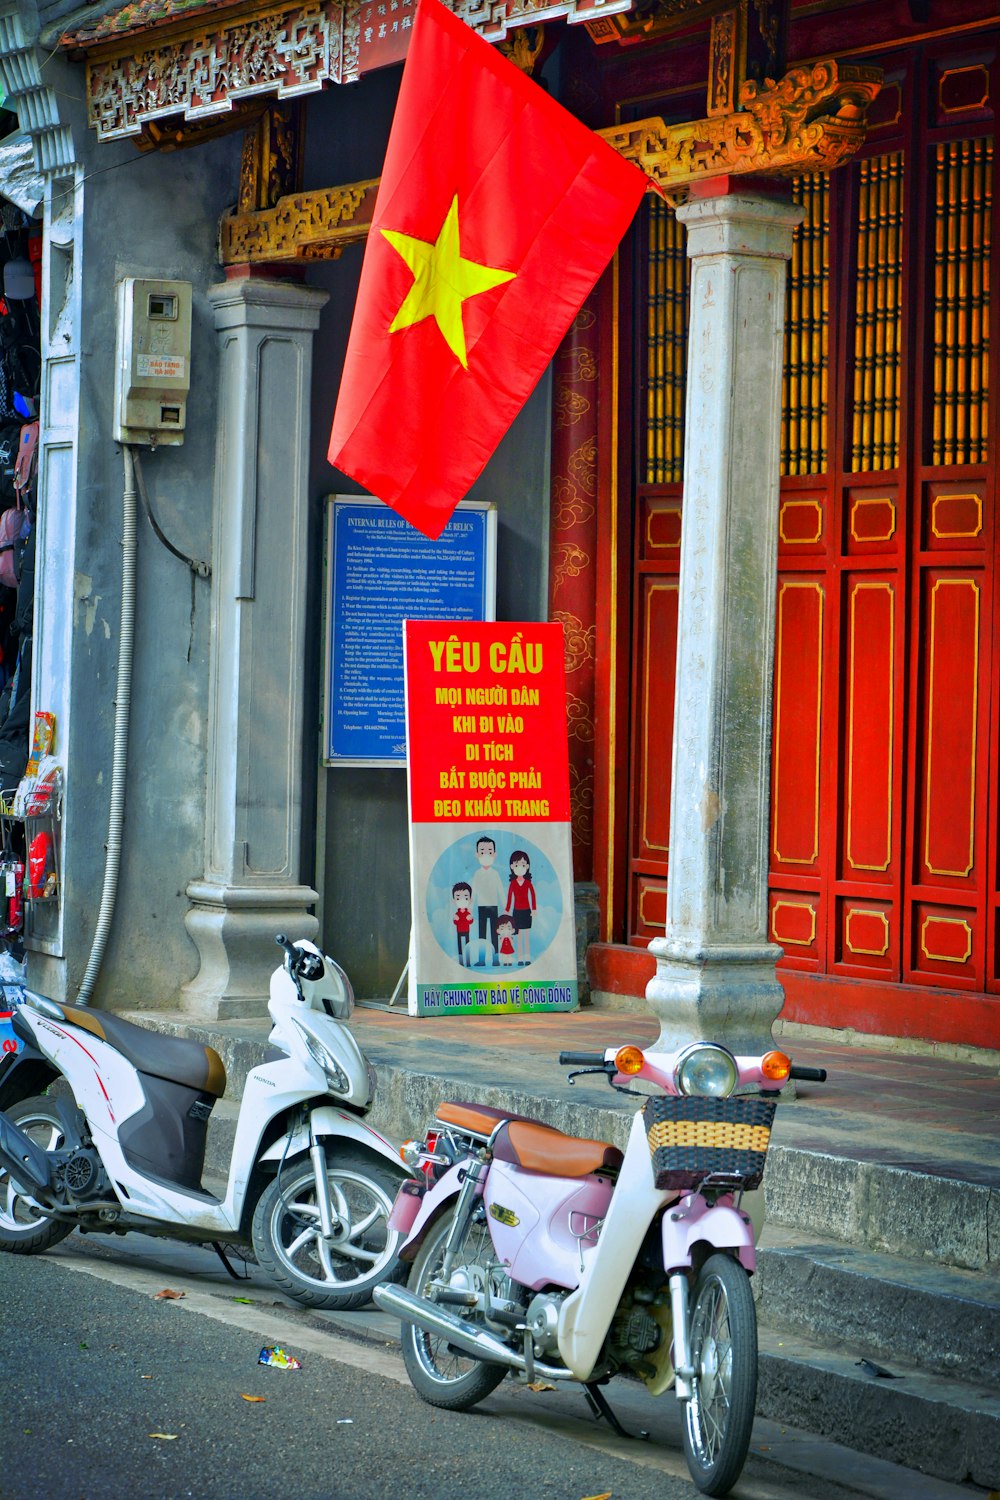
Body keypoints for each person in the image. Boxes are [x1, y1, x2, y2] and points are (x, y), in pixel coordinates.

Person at [471, 834, 505, 966]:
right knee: (482, 935)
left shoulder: (495, 874)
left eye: (489, 852)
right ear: (477, 854)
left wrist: (506, 907)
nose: (486, 855)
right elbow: (473, 892)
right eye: (482, 852)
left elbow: (501, 891)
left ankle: (496, 958)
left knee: (494, 934)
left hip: (494, 907)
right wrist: (469, 907)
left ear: (494, 854)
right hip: (481, 908)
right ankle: (481, 959)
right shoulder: (477, 874)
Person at [504, 848, 537, 966]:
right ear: (512, 866)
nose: (520, 867)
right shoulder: (512, 884)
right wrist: (507, 910)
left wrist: (534, 909)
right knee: (518, 936)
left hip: (527, 911)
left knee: (526, 935)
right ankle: (519, 957)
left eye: (523, 864)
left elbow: (532, 895)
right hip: (516, 911)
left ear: (527, 866)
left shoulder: (528, 883)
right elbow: (509, 897)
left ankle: (527, 956)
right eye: (517, 864)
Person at [452, 880, 473, 967]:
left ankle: (468, 961)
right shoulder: (457, 914)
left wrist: (470, 918)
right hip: (459, 931)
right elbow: (455, 922)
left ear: (470, 900)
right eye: (458, 898)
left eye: (466, 897)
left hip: (466, 930)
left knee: (467, 946)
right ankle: (461, 961)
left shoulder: (468, 913)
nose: (462, 900)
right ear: (454, 901)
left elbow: (471, 921)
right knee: (460, 946)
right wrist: (455, 919)